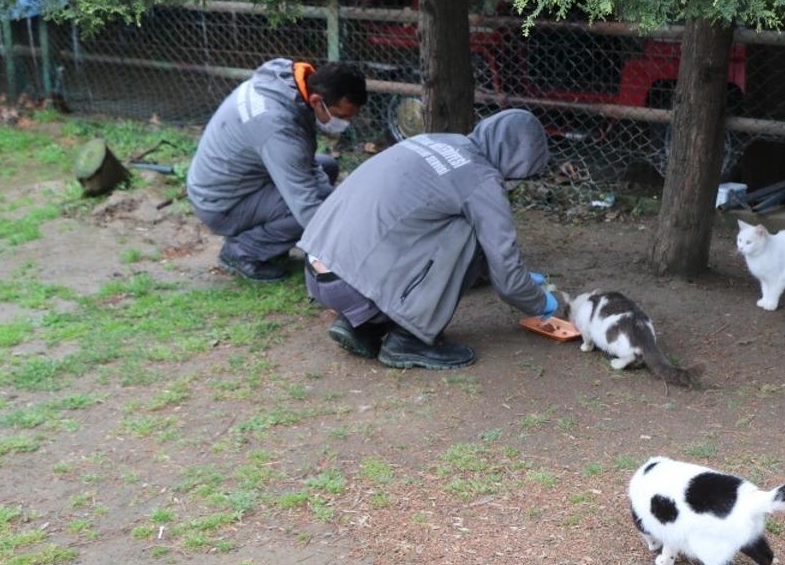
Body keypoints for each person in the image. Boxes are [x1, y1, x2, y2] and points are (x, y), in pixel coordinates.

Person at [297, 109, 559, 370]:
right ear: (518, 159)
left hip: (319, 271)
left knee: (423, 226)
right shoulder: (482, 181)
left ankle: (362, 325)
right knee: (469, 232)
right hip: (351, 289)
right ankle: (409, 340)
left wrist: (511, 277)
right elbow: (507, 274)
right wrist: (537, 300)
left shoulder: (438, 140)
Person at [187, 59, 367, 282]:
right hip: (221, 204)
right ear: (317, 101)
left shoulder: (283, 79)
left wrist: (339, 211)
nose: (346, 123)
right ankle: (242, 252)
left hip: (234, 181)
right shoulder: (277, 127)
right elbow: (306, 207)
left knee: (327, 168)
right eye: (342, 116)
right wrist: (353, 247)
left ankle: (268, 239)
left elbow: (308, 164)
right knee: (305, 214)